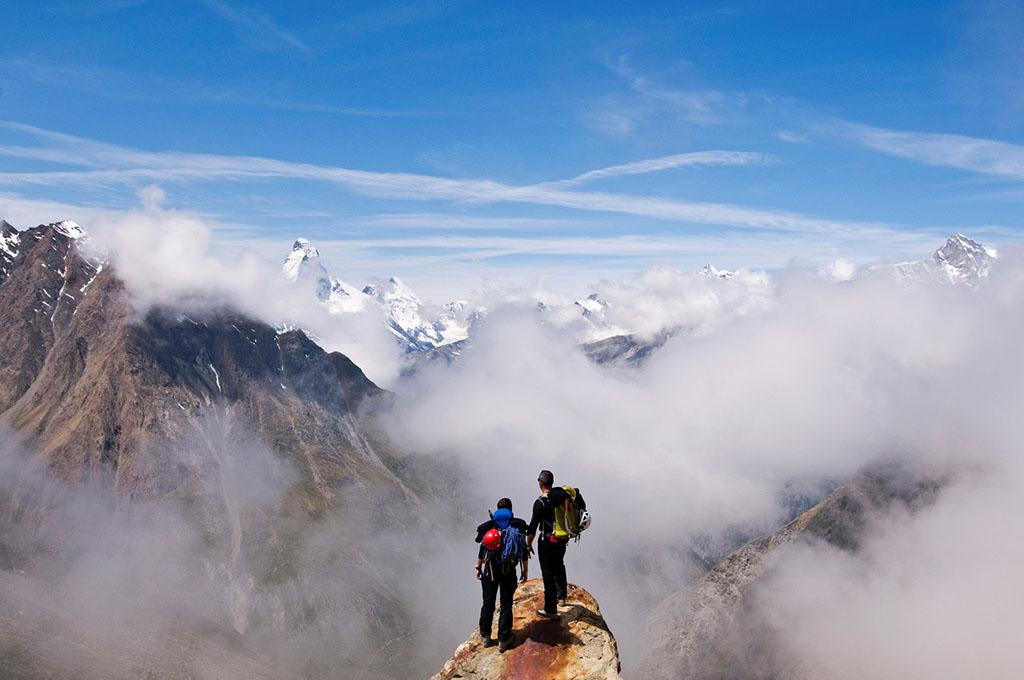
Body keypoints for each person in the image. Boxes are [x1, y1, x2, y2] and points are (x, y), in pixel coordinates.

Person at [526, 469, 586, 619]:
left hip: (546, 541)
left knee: (548, 573)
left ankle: (550, 609)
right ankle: (562, 598)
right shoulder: (560, 497)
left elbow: (533, 526)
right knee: (559, 565)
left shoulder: (540, 503)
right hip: (562, 539)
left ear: (540, 483)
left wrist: (528, 544)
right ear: (551, 483)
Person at [475, 498, 529, 652]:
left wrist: (478, 567)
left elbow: (482, 548)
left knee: (488, 602)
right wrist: (525, 572)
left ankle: (485, 636)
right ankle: (504, 639)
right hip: (508, 570)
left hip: (489, 570)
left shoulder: (488, 526)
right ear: (511, 509)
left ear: (497, 509)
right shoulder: (518, 525)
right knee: (506, 603)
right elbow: (523, 551)